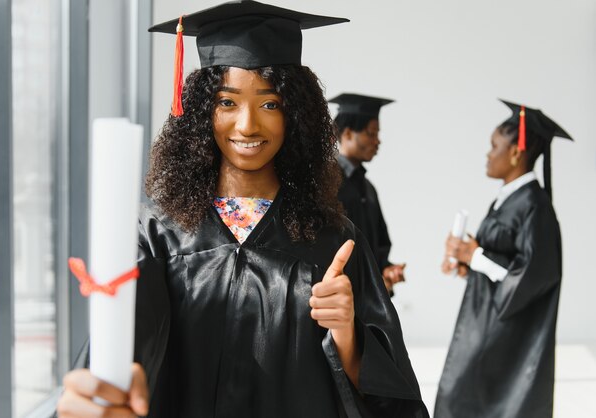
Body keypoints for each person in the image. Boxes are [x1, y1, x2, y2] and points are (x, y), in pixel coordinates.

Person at [56, 2, 429, 417]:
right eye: (227, 103)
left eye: (270, 104)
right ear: (200, 113)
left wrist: (346, 334)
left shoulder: (332, 239)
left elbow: (389, 397)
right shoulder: (159, 232)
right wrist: (103, 391)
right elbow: (125, 343)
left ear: (296, 115)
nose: (248, 124)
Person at [435, 99, 573, 418]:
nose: (488, 153)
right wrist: (466, 264)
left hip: (507, 332)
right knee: (460, 396)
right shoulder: (509, 199)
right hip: (484, 320)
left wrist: (476, 255)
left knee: (473, 399)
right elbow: (502, 262)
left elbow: (533, 275)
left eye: (494, 145)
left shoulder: (535, 206)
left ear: (516, 152)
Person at [329, 93, 406, 295]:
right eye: (371, 134)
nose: (377, 141)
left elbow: (379, 243)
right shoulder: (325, 182)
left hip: (367, 298)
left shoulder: (368, 188)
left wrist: (386, 269)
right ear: (346, 134)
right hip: (336, 295)